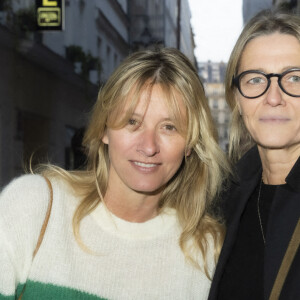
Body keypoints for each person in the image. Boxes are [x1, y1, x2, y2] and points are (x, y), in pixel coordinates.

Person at [0, 48, 230, 299]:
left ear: (190, 145)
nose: (149, 146)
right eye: (133, 122)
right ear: (104, 129)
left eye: (169, 127)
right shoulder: (34, 206)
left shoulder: (207, 251)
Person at [208, 10, 300, 300]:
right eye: (255, 80)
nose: (274, 97)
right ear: (236, 97)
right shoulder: (226, 199)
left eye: (295, 78)